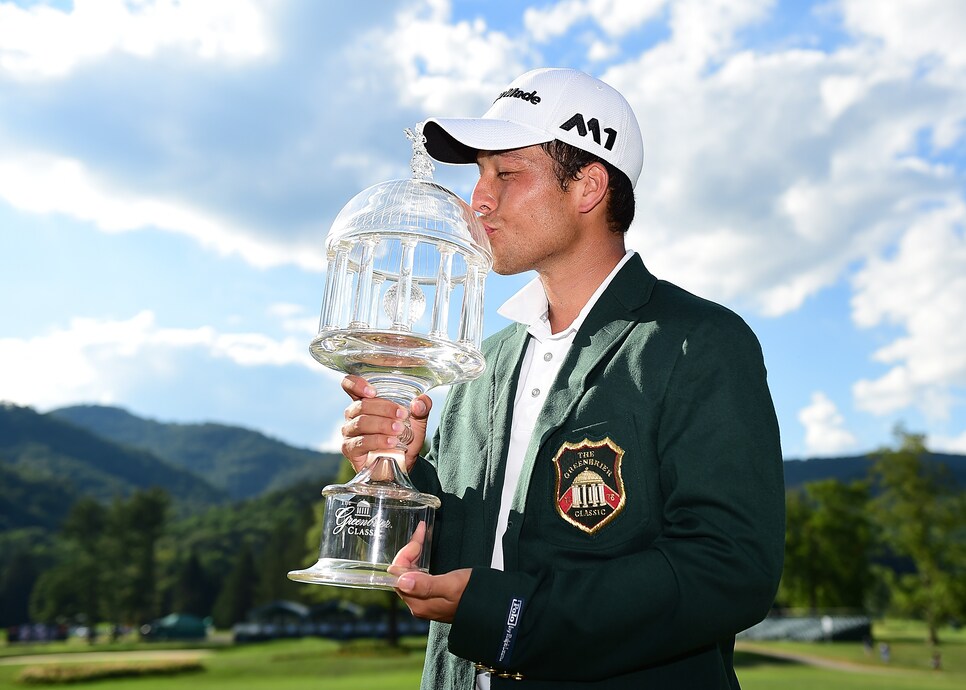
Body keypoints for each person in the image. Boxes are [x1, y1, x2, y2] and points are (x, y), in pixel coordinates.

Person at [340, 67, 785, 689]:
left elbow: (729, 569)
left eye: (506, 173)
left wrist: (510, 616)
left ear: (588, 187)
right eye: (478, 174)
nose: (478, 200)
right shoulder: (481, 360)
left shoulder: (697, 342)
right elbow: (447, 553)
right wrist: (401, 473)